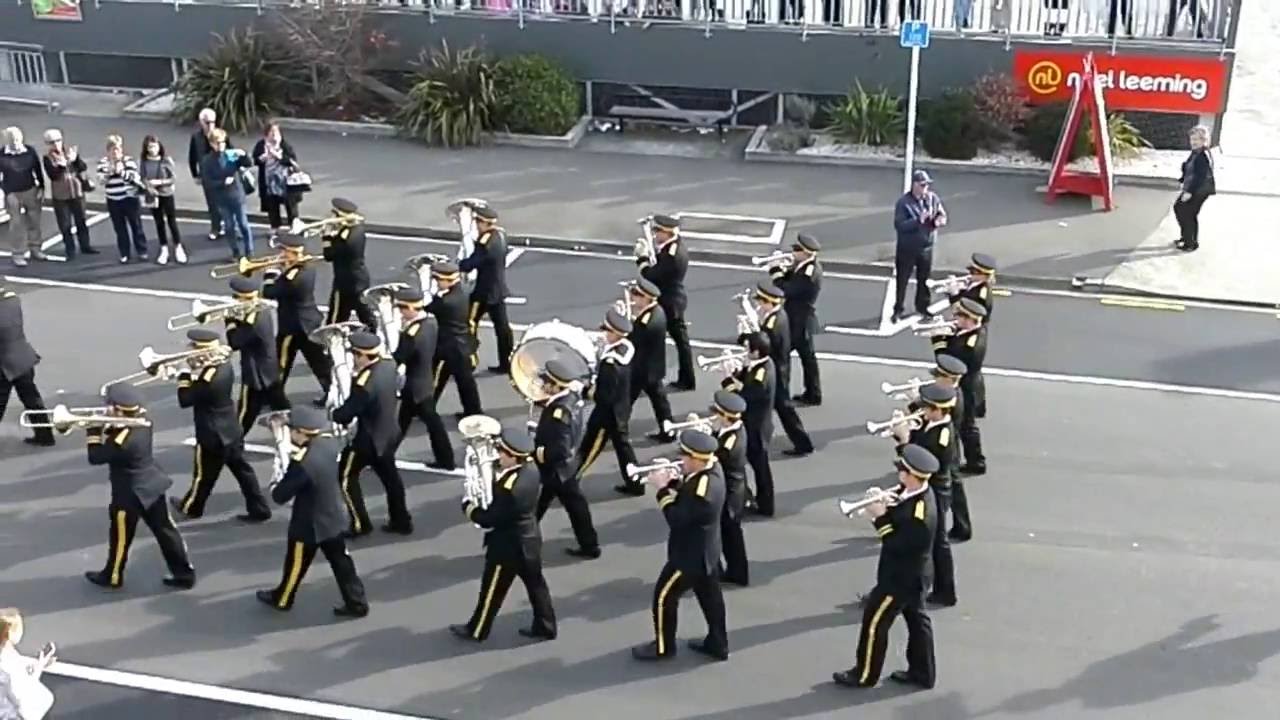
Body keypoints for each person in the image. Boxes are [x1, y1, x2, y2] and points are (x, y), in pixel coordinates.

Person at [834, 445, 937, 690]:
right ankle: (923, 672)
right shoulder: (913, 491)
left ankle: (864, 675)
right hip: (916, 574)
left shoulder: (920, 517)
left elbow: (896, 544)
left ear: (911, 475)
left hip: (900, 579)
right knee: (917, 621)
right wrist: (883, 500)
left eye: (902, 470)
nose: (899, 473)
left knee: (874, 622)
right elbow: (900, 507)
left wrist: (878, 516)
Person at [256, 406, 368, 618]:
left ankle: (283, 598)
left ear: (300, 432)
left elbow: (280, 495)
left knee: (296, 563)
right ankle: (357, 602)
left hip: (309, 522)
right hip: (333, 514)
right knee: (342, 561)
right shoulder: (328, 443)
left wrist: (279, 465)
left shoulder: (304, 462)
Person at [85, 383, 196, 590]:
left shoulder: (122, 441)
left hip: (129, 493)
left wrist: (92, 433)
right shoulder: (143, 421)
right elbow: (117, 428)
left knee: (120, 537)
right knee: (166, 530)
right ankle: (184, 573)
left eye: (110, 405)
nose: (107, 408)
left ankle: (113, 575)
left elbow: (96, 456)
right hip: (152, 484)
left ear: (119, 410)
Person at [451, 427, 557, 643]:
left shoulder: (512, 489)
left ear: (513, 456)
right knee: (536, 585)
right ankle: (546, 626)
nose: (498, 455)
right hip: (529, 538)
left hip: (508, 546)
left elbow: (489, 518)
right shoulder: (531, 469)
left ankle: (477, 629)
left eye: (502, 452)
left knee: (492, 590)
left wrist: (469, 508)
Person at [632, 430, 728, 662]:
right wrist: (673, 481)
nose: (681, 460)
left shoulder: (703, 493)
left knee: (663, 597)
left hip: (689, 557)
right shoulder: (712, 470)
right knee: (710, 598)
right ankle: (718, 643)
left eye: (685, 457)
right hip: (707, 551)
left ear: (697, 459)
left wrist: (662, 489)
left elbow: (676, 518)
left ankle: (663, 647)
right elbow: (689, 489)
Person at [171, 329, 272, 522]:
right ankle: (260, 508)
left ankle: (191, 507)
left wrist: (183, 374)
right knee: (242, 471)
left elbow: (185, 399)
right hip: (230, 429)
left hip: (212, 433)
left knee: (203, 475)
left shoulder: (210, 378)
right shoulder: (223, 365)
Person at [332, 332, 413, 537]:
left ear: (362, 356)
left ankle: (360, 523)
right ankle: (401, 520)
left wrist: (333, 412)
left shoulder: (365, 383)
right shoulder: (388, 365)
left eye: (354, 355)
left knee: (346, 477)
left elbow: (346, 414)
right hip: (389, 432)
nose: (353, 359)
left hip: (368, 440)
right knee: (391, 479)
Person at [892, 383, 958, 607]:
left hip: (936, 489)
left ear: (938, 410)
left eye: (927, 407)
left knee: (937, 544)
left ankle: (945, 590)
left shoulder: (942, 436)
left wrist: (904, 441)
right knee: (936, 543)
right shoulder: (933, 423)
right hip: (930, 486)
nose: (923, 410)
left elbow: (921, 464)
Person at [533, 357, 600, 559]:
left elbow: (558, 450)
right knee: (561, 504)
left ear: (556, 386)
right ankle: (589, 545)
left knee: (568, 506)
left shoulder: (558, 412)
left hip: (557, 469)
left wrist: (536, 452)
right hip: (568, 465)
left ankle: (589, 546)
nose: (543, 385)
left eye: (547, 383)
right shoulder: (570, 397)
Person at [573, 307, 638, 494]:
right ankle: (635, 482)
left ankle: (569, 481)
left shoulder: (611, 364)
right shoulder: (627, 349)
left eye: (607, 331)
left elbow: (603, 397)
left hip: (606, 416)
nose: (604, 334)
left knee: (587, 449)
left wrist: (585, 391)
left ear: (616, 334)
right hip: (622, 408)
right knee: (623, 447)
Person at [390, 286, 455, 470]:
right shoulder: (430, 323)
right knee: (405, 422)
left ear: (411, 308)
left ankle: (446, 459)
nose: (401, 313)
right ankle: (384, 454)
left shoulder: (411, 334)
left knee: (426, 423)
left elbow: (400, 357)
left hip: (414, 387)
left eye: (402, 308)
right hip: (424, 381)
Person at [262, 234, 332, 398]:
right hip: (309, 322)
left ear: (291, 252)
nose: (280, 255)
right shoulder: (307, 266)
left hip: (292, 326)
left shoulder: (293, 277)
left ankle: (275, 397)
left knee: (281, 363)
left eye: (284, 251)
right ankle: (331, 393)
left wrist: (270, 274)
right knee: (319, 363)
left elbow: (269, 292)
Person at [754, 280, 814, 456]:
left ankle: (803, 443)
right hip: (780, 367)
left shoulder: (772, 323)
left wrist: (751, 332)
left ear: (768, 302)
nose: (759, 305)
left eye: (761, 302)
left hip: (776, 370)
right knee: (769, 407)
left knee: (783, 409)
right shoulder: (779, 315)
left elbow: (764, 345)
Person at [637, 215, 695, 391]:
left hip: (669, 302)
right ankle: (686, 378)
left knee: (657, 340)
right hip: (673, 299)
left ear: (667, 233)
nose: (655, 234)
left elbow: (651, 275)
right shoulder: (673, 247)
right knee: (679, 341)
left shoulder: (672, 255)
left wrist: (642, 259)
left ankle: (660, 379)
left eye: (657, 231)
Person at [931, 298, 988, 477]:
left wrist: (938, 340)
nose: (956, 319)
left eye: (960, 316)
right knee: (966, 424)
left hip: (965, 387)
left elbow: (946, 364)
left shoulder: (969, 345)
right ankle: (974, 460)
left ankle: (975, 461)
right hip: (971, 383)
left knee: (965, 425)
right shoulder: (973, 332)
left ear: (970, 319)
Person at [223, 276, 286, 434]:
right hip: (268, 372)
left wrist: (230, 321)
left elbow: (235, 342)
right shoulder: (259, 309)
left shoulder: (253, 319)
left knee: (244, 415)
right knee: (282, 408)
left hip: (257, 375)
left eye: (236, 297)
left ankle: (233, 443)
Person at [722, 332, 775, 517]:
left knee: (759, 469)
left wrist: (727, 379)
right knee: (753, 467)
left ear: (756, 352)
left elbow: (743, 398)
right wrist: (740, 371)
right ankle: (751, 498)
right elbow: (747, 383)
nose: (745, 352)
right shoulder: (762, 365)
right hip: (757, 425)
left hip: (755, 428)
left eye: (747, 349)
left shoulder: (761, 374)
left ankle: (764, 504)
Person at [459, 205, 514, 373]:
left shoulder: (485, 242)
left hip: (483, 292)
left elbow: (473, 262)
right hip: (498, 289)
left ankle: (470, 360)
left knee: (469, 324)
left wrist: (460, 265)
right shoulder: (501, 236)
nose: (476, 225)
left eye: (478, 222)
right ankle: (507, 363)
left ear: (484, 223)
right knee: (502, 329)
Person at [769, 233, 821, 405]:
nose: (793, 252)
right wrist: (783, 269)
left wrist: (775, 272)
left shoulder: (809, 273)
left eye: (796, 250)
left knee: (782, 357)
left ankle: (785, 396)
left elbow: (787, 290)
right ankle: (812, 394)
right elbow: (790, 279)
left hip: (799, 321)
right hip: (797, 319)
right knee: (807, 358)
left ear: (806, 253)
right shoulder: (803, 266)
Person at [427, 261, 483, 417]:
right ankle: (473, 412)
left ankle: (427, 407)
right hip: (463, 344)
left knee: (435, 378)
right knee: (466, 383)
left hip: (447, 347)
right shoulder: (464, 291)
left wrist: (433, 295)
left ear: (447, 280)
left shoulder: (445, 302)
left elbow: (428, 308)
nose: (437, 284)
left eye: (438, 280)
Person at [0, 286, 53, 447]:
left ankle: (44, 435)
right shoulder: (13, 302)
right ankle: (45, 435)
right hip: (23, 357)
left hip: (5, 364)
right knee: (31, 398)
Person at [625, 278, 675, 449]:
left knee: (625, 400)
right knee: (659, 400)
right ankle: (668, 430)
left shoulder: (646, 321)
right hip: (653, 366)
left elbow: (632, 340)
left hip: (641, 368)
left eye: (637, 294)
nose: (634, 298)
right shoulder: (657, 312)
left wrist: (626, 319)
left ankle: (617, 430)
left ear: (646, 298)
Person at [892, 170, 947, 322]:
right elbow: (900, 225)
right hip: (907, 249)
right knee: (902, 280)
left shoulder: (932, 198)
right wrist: (918, 220)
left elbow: (941, 214)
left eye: (927, 185)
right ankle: (898, 309)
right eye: (922, 185)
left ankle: (923, 306)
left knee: (924, 280)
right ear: (914, 185)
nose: (925, 188)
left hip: (926, 247)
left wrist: (939, 220)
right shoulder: (903, 203)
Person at [710, 390, 749, 587]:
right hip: (733, 487)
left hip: (731, 491)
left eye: (717, 413)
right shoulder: (731, 430)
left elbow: (714, 458)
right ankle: (734, 571)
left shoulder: (730, 441)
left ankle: (737, 573)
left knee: (730, 533)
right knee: (728, 532)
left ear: (726, 417)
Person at [41, 128, 97, 259]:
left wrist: (75, 159)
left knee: (81, 221)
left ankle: (85, 246)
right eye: (52, 142)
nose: (56, 144)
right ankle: (70, 249)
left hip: (77, 192)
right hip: (61, 196)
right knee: (65, 225)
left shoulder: (70, 152)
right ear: (47, 144)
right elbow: (53, 176)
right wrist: (61, 165)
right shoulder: (47, 158)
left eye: (58, 140)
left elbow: (82, 167)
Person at [320, 198, 375, 329]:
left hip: (345, 283)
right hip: (359, 280)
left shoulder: (347, 237)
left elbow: (329, 255)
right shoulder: (356, 229)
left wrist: (326, 236)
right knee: (365, 315)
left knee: (335, 320)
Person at [199, 128, 254, 260]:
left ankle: (249, 251)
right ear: (211, 144)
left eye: (223, 142)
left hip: (237, 196)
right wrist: (222, 183)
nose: (221, 145)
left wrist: (243, 154)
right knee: (229, 227)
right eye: (218, 143)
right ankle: (235, 252)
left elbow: (248, 163)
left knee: (243, 224)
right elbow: (207, 182)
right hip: (222, 199)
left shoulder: (231, 155)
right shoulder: (207, 161)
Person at [97, 135, 149, 264]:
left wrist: (122, 172)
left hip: (129, 199)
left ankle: (142, 250)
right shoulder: (103, 163)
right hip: (113, 200)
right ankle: (124, 253)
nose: (116, 152)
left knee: (136, 226)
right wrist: (110, 172)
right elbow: (101, 180)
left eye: (118, 149)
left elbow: (135, 178)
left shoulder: (128, 161)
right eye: (113, 149)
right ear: (108, 150)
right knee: (120, 229)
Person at [0, 127, 45, 268]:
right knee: (16, 224)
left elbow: (37, 169)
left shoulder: (30, 151)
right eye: (12, 139)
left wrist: (41, 187)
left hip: (30, 189)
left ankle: (35, 249)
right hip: (13, 193)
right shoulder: (2, 155)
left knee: (34, 220)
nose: (15, 142)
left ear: (22, 138)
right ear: (6, 140)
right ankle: (18, 254)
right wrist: (7, 192)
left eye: (17, 139)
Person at [139, 135, 186, 266]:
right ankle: (164, 248)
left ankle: (178, 247)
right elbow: (142, 177)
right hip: (153, 195)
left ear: (159, 146)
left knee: (172, 221)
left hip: (166, 194)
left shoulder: (166, 160)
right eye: (149, 147)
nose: (152, 149)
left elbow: (173, 178)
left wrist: (159, 182)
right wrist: (148, 186)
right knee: (159, 222)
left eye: (154, 146)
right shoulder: (144, 161)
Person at [0, 608, 55, 720]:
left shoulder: (8, 653)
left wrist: (39, 665)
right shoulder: (8, 659)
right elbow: (23, 692)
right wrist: (38, 667)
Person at [251, 121, 302, 233]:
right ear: (266, 134)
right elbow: (255, 160)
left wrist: (279, 156)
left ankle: (293, 224)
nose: (274, 135)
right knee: (272, 204)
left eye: (276, 132)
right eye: (272, 132)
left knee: (290, 203)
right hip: (269, 181)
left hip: (285, 181)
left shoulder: (284, 145)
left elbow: (292, 160)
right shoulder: (261, 145)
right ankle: (275, 226)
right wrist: (262, 158)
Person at [187, 108, 229, 242]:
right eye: (207, 122)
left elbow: (231, 152)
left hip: (222, 173)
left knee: (226, 202)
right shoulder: (196, 137)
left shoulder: (221, 135)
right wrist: (195, 175)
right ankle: (216, 227)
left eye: (213, 122)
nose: (211, 125)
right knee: (212, 204)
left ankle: (229, 226)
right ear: (201, 122)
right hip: (207, 176)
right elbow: (192, 157)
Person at [1174, 125, 1215, 252]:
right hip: (1194, 188)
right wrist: (1182, 179)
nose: (1193, 142)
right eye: (1192, 139)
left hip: (1199, 190)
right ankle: (1186, 237)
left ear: (1204, 141)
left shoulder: (1203, 155)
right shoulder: (1196, 152)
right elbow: (1190, 169)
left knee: (1188, 214)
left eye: (1197, 139)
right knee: (1180, 209)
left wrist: (1189, 192)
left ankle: (1190, 243)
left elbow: (1200, 177)